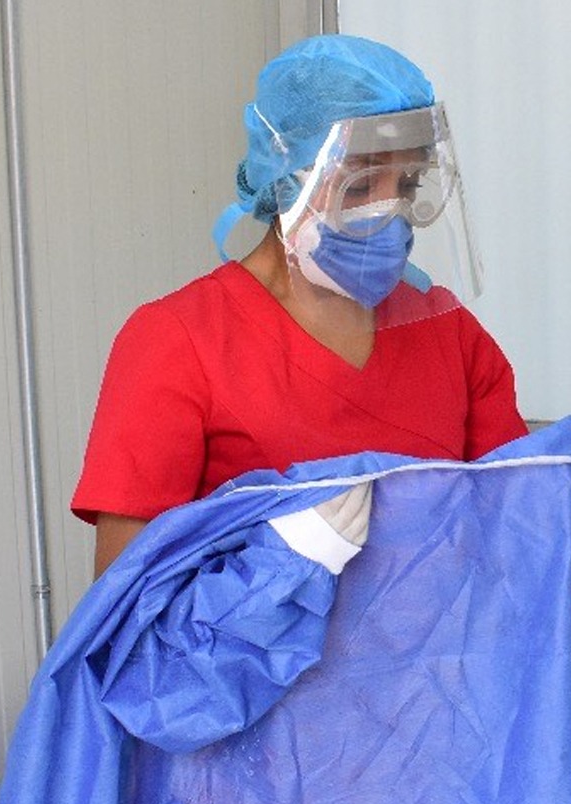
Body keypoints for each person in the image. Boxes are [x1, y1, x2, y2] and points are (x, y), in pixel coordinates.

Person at [71, 34, 531, 577]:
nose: (390, 212)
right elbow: (126, 598)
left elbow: (513, 538)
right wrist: (274, 574)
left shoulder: (451, 334)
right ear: (285, 177)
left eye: (407, 184)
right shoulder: (178, 340)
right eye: (359, 185)